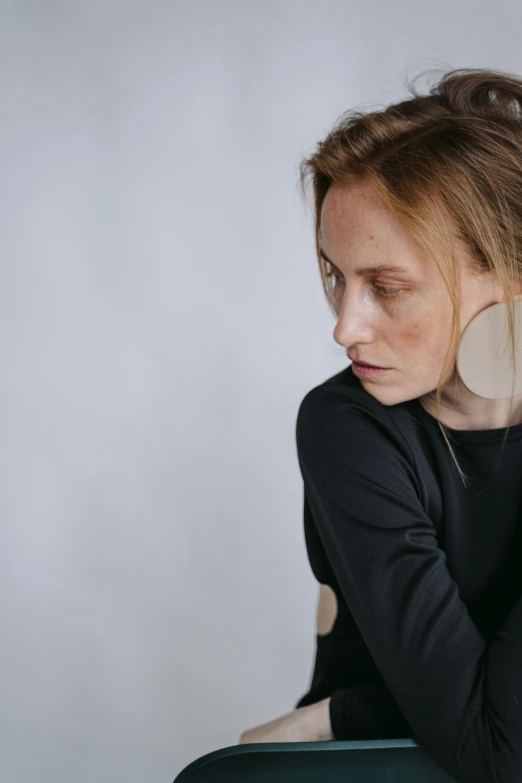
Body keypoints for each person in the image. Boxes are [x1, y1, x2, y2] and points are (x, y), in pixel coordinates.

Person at [238, 67, 522, 783]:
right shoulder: (348, 427)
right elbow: (500, 752)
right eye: (337, 276)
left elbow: (497, 741)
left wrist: (340, 714)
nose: (344, 327)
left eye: (386, 287)